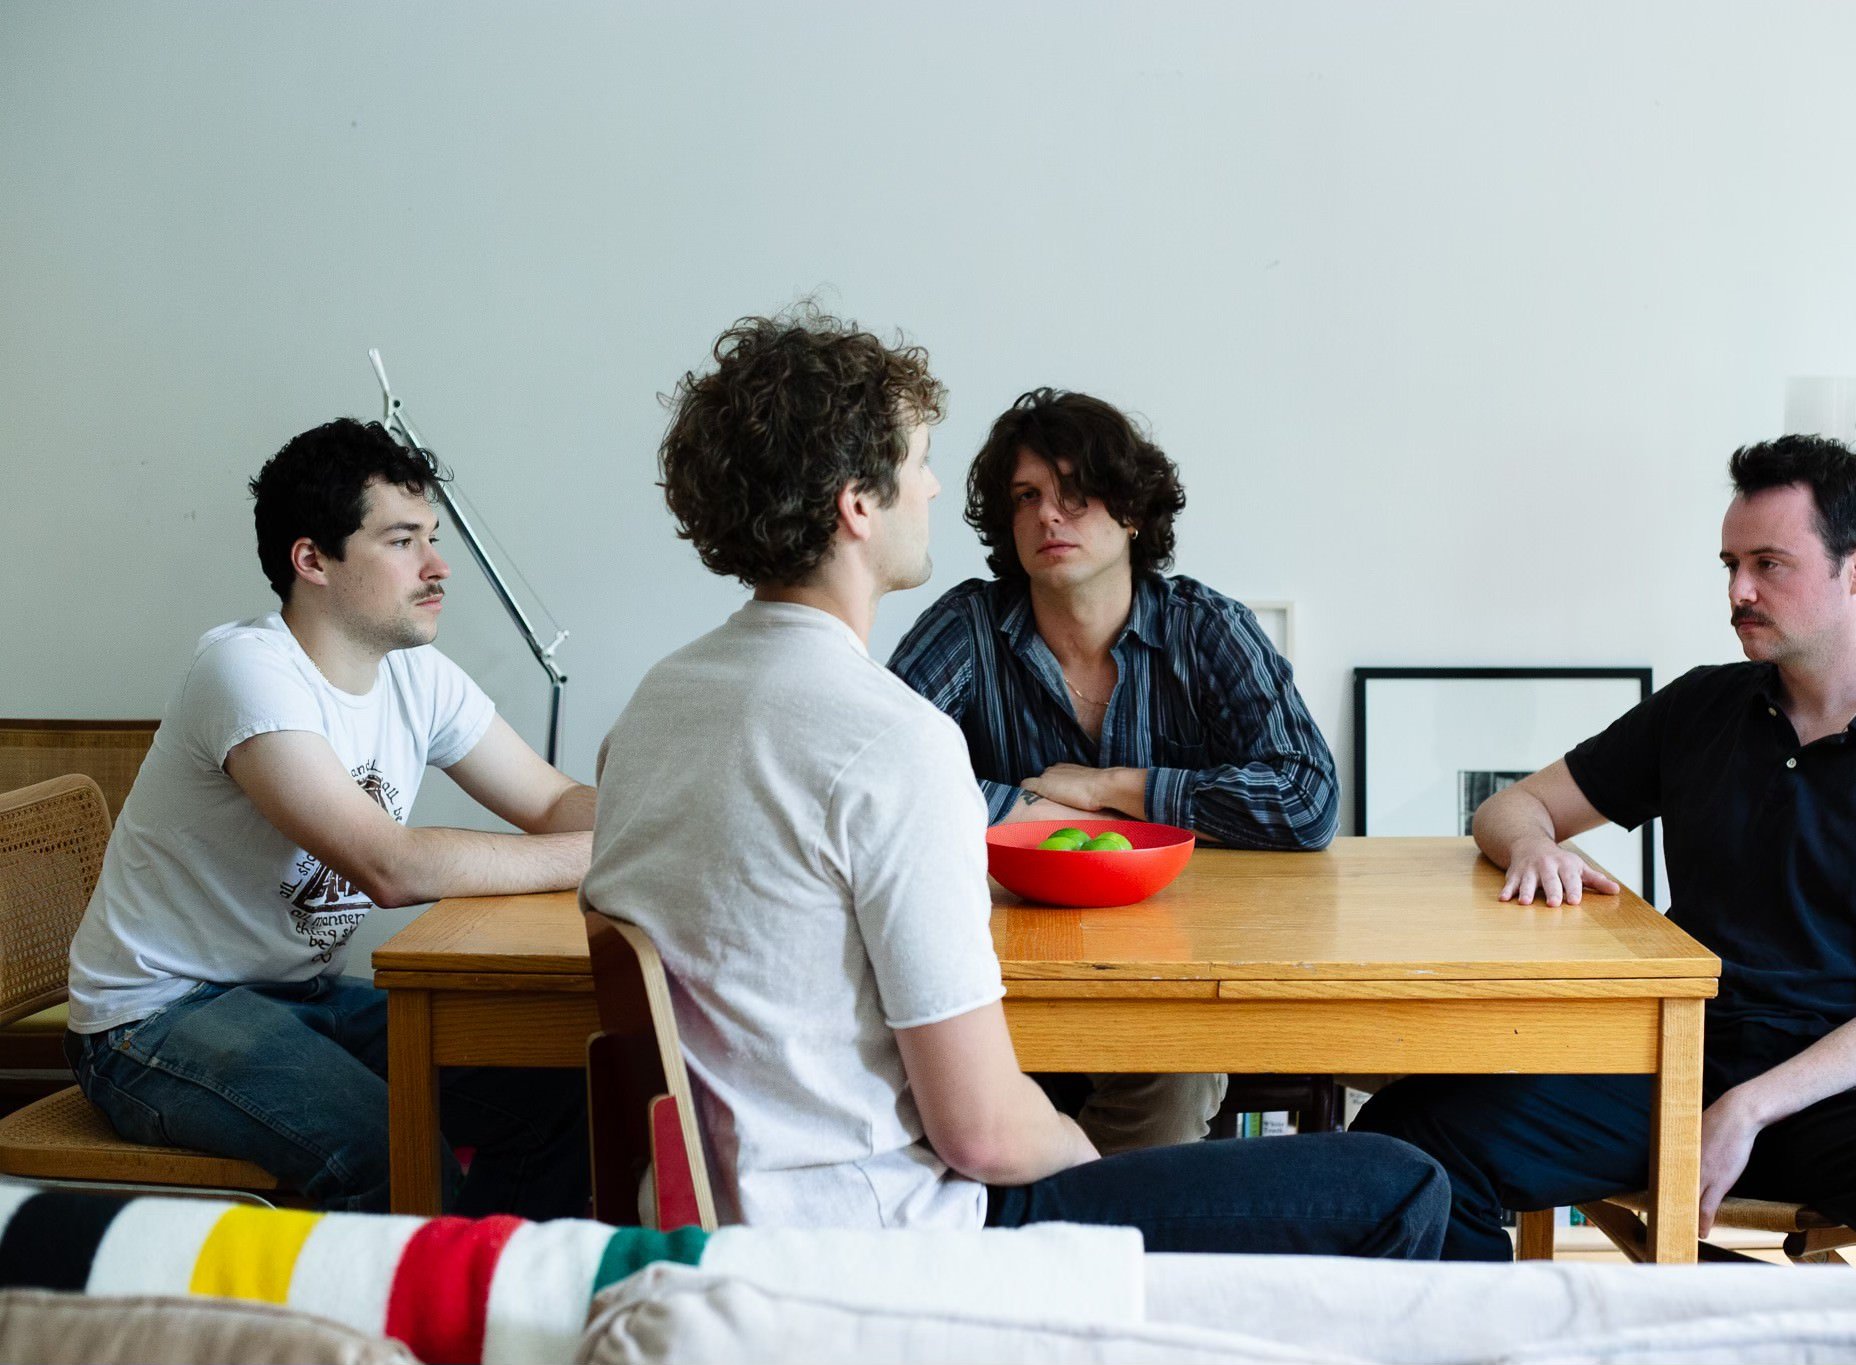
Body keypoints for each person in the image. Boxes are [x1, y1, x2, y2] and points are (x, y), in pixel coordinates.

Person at [581, 310, 1447, 1255]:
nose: (934, 485)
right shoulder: (893, 741)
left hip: (709, 1232)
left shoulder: (654, 706)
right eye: (918, 460)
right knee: (1404, 1182)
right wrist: (1101, 1180)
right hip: (894, 1234)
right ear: (858, 505)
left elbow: (1304, 795)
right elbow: (984, 1132)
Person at [1352, 435, 1856, 1263]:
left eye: (1768, 564)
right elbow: (1510, 806)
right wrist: (1534, 846)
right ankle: (1521, 1326)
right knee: (1405, 1146)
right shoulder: (1701, 708)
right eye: (1730, 565)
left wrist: (1749, 1107)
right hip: (1678, 1059)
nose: (1738, 591)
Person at [65, 419, 593, 1217]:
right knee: (398, 1155)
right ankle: (413, 1290)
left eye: (433, 538)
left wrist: (663, 821)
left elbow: (553, 802)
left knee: (559, 1091)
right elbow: (391, 865)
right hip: (154, 1021)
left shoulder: (417, 675)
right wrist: (607, 853)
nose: (438, 565)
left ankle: (481, 1280)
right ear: (312, 559)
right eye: (403, 541)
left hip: (301, 997)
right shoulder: (244, 670)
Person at [888, 389, 1339, 1151]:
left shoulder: (1206, 628)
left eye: (1075, 491)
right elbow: (881, 773)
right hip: (1002, 968)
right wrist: (1046, 815)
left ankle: (1085, 1219)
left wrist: (1111, 788)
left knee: (1170, 1084)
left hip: (1180, 965)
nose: (1048, 515)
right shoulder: (969, 626)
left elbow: (1307, 797)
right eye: (1026, 496)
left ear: (1132, 511)